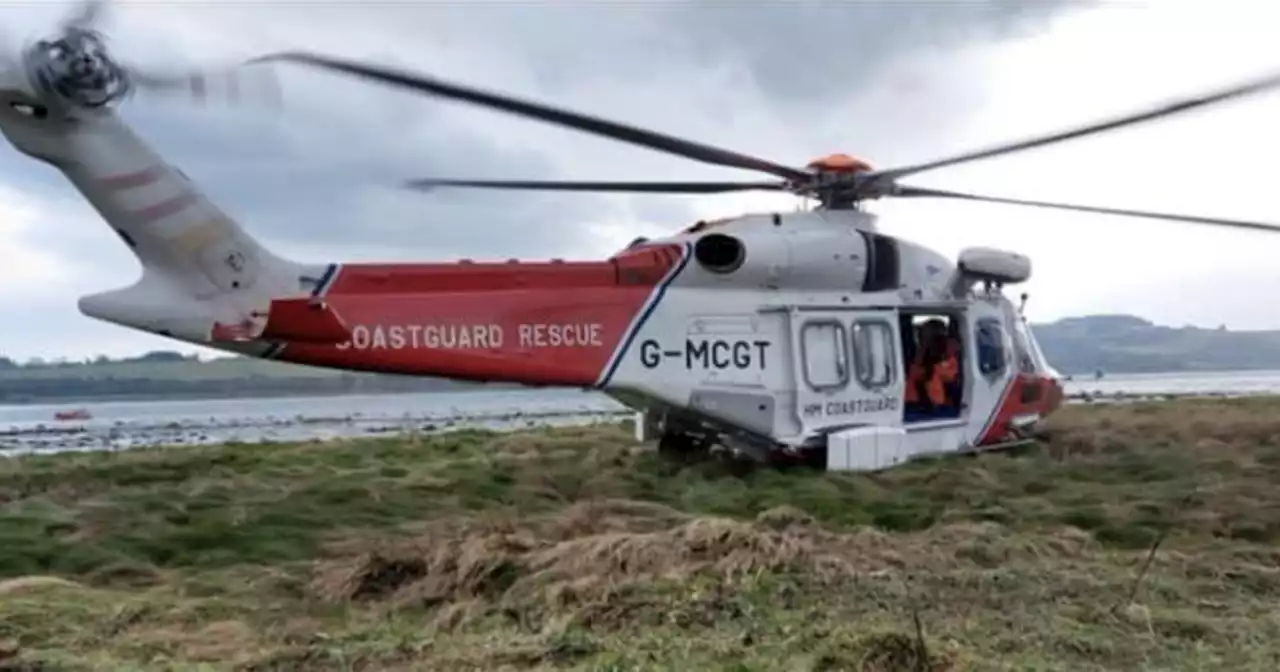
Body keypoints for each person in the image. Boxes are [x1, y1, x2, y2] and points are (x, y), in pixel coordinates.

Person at [905, 318, 959, 413]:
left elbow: (950, 375)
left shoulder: (950, 358)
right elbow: (915, 375)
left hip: (940, 407)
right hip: (915, 404)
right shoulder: (919, 356)